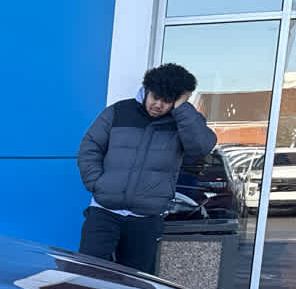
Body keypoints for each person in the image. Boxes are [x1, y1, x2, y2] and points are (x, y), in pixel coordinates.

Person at [76, 63, 217, 274]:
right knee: (86, 276)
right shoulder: (118, 112)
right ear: (146, 90)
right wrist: (97, 184)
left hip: (145, 219)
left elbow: (201, 147)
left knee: (136, 284)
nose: (158, 104)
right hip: (104, 212)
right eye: (155, 97)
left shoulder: (182, 122)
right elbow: (90, 147)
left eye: (167, 100)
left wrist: (183, 108)